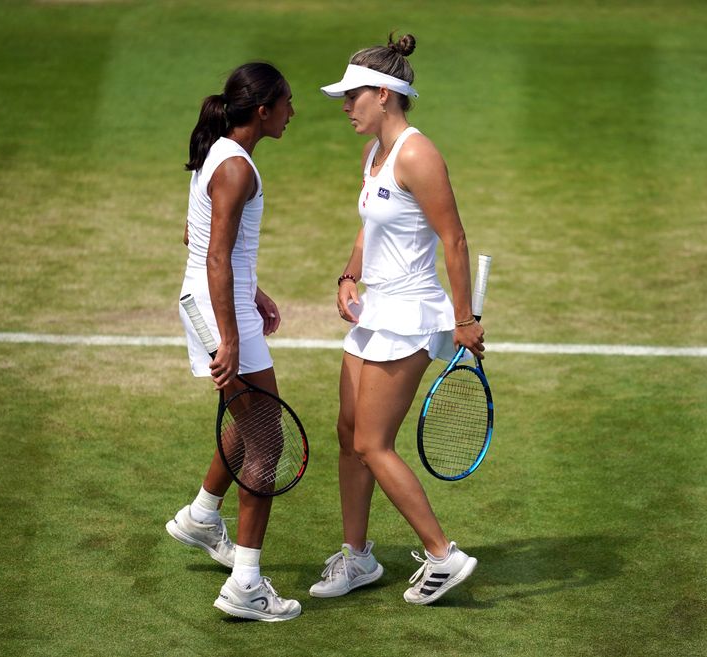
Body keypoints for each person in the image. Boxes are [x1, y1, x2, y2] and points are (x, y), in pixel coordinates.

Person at [312, 33, 485, 605]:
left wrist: (465, 320)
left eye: (353, 95)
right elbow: (372, 223)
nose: (345, 105)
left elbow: (454, 239)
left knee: (372, 443)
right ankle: (358, 558)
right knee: (347, 434)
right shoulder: (375, 154)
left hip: (410, 315)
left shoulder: (417, 153)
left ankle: (444, 555)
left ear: (384, 95)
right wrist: (347, 274)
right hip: (374, 308)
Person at [165, 62, 300, 622]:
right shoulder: (236, 168)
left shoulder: (219, 154)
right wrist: (231, 336)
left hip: (221, 301)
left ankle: (201, 516)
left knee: (249, 424)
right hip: (222, 312)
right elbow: (215, 255)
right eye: (287, 103)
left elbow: (204, 242)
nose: (294, 113)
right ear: (262, 110)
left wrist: (255, 291)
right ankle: (245, 584)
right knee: (268, 440)